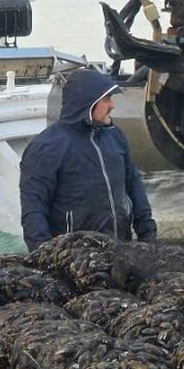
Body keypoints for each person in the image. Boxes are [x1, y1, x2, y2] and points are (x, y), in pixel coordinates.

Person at [19, 70, 156, 250]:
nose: (112, 105)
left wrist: (148, 234)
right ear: (87, 103)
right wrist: (43, 256)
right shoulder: (46, 147)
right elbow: (34, 209)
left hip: (120, 249)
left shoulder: (115, 136)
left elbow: (134, 185)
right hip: (73, 256)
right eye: (106, 99)